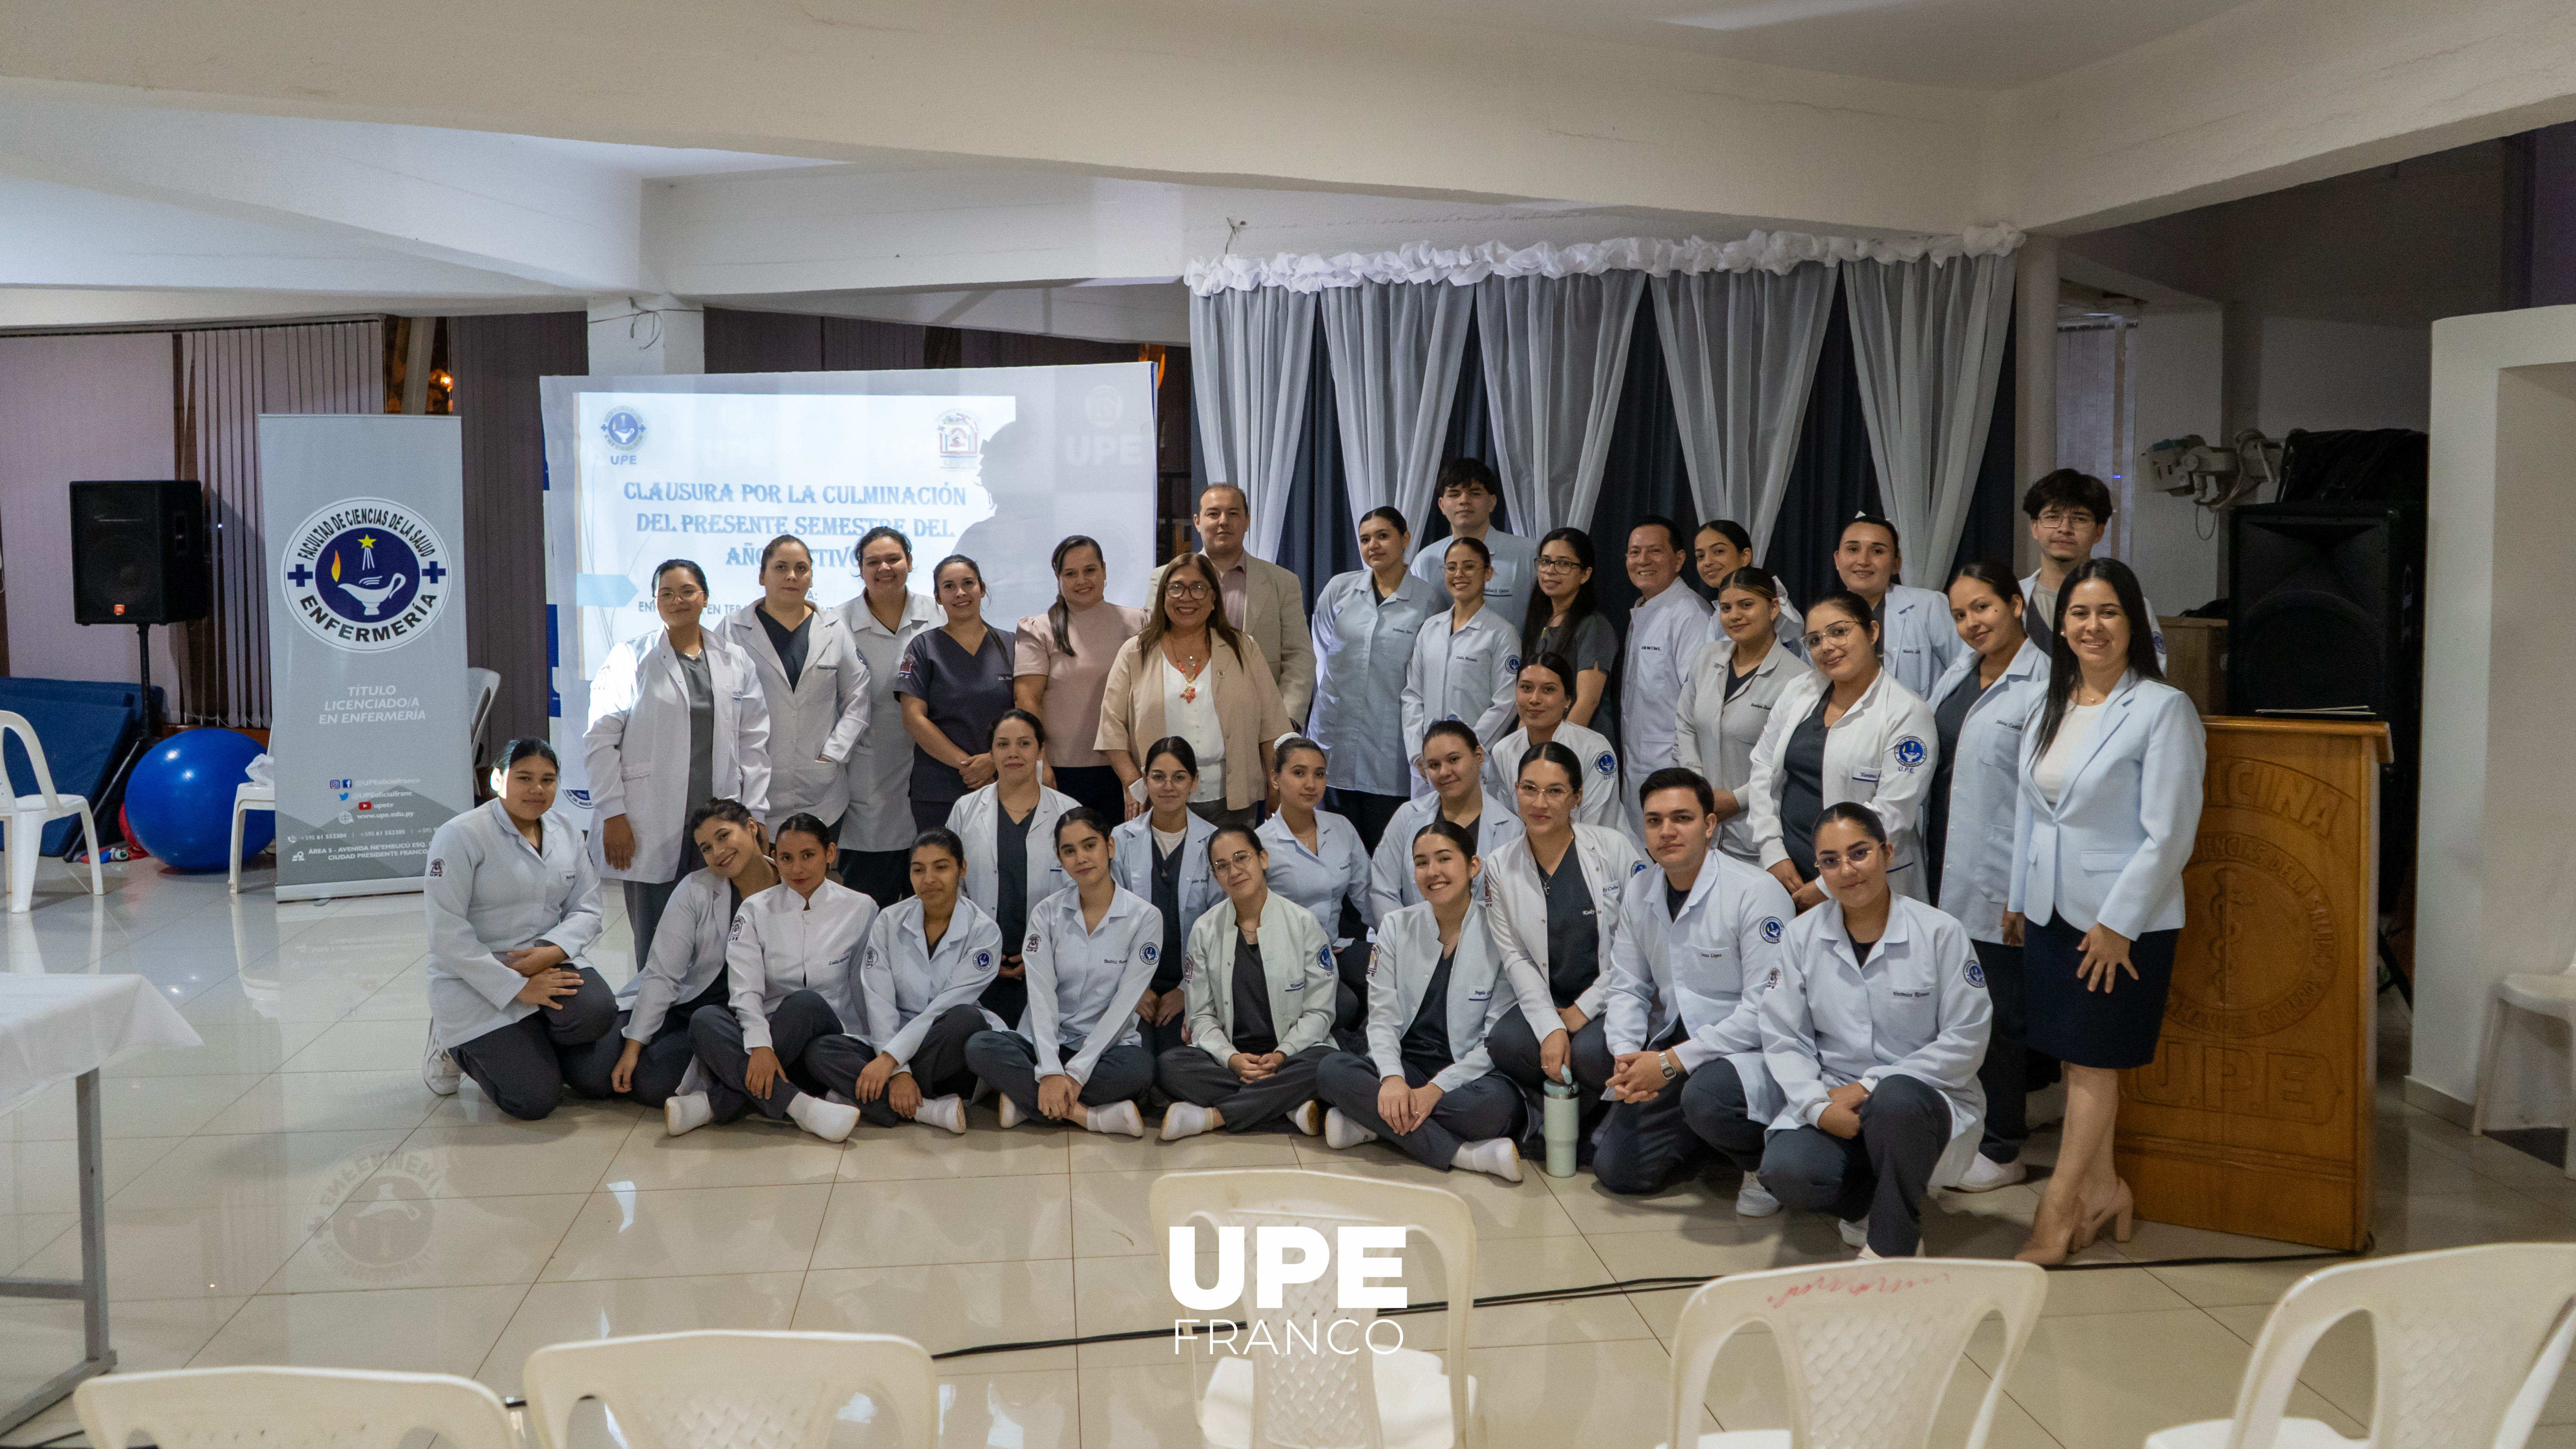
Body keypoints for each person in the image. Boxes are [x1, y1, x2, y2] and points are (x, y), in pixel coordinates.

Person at [2009, 558, 2204, 1264]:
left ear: (2132, 622)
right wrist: (2015, 901)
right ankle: (2104, 1188)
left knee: (2094, 1063)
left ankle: (2056, 1210)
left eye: (2107, 613)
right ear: (2059, 626)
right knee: (2076, 1062)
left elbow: (2170, 831)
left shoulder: (2161, 708)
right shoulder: (2049, 703)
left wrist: (2118, 922)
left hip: (2121, 922)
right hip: (2049, 910)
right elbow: (2032, 815)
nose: (2091, 627)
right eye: (2078, 614)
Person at [1759, 804, 1992, 1259]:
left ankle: (1894, 1245)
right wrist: (1813, 1104)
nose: (1846, 870)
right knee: (1788, 1173)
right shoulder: (1800, 936)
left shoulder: (1941, 933)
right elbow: (1784, 1035)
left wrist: (1870, 1085)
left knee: (1895, 1099)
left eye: (1859, 853)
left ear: (1887, 852)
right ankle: (1876, 1199)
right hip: (1835, 1101)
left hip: (1924, 1102)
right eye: (1830, 860)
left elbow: (1967, 1037)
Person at [1592, 769, 1798, 1200]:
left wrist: (1667, 1064)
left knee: (1707, 1097)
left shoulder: (1756, 893)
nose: (1667, 831)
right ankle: (1701, 1137)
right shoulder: (1641, 889)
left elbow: (1765, 1011)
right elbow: (1628, 985)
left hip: (1751, 1049)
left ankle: (1761, 1165)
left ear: (1709, 825)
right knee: (1619, 1172)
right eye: (1654, 821)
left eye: (1682, 818)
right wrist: (1628, 1055)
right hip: (1680, 1041)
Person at [1924, 562, 2050, 1192]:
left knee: (2000, 1017)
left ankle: (2003, 1146)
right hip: (1944, 862)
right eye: (1960, 613)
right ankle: (1963, 1129)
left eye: (1984, 608)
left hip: (1998, 877)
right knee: (1956, 1011)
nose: (1972, 623)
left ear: (2015, 604)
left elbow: (2042, 800)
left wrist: (2020, 892)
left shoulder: (2044, 683)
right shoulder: (1960, 673)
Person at [585, 559, 771, 973]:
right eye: (665, 594)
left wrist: (756, 813)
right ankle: (655, 1028)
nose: (677, 600)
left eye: (687, 591)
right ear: (654, 602)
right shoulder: (629, 657)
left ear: (704, 597)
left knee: (720, 931)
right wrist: (613, 813)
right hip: (648, 820)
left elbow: (753, 743)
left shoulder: (734, 659)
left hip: (718, 821)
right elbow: (600, 741)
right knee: (656, 937)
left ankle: (708, 1024)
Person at [1314, 820, 1526, 1181]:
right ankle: (1463, 1155)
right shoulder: (1397, 927)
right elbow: (1381, 1019)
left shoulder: (1500, 932)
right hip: (1407, 1064)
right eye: (1421, 862)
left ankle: (1370, 1125)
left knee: (1499, 1107)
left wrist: (1436, 1089)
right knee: (1330, 1070)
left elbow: (1493, 1041)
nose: (1432, 872)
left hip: (1465, 1076)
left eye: (1444, 859)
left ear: (1473, 866)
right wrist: (1394, 1079)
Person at [420, 738, 619, 1119]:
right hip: (476, 975)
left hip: (544, 957)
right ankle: (448, 1043)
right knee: (534, 1100)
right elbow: (446, 933)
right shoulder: (460, 836)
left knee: (597, 1063)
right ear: (498, 779)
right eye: (524, 777)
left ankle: (533, 1041)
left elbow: (588, 907)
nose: (537, 790)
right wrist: (518, 986)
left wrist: (554, 952)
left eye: (548, 779)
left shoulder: (564, 831)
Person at [663, 813, 876, 1142]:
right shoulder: (754, 909)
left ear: (830, 853)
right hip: (773, 1041)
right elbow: (745, 988)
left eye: (809, 856)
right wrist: (761, 1046)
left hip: (826, 1041)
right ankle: (802, 1107)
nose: (797, 869)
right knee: (706, 1019)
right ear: (775, 857)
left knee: (805, 1003)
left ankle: (713, 1105)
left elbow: (866, 987)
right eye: (787, 858)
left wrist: (875, 1047)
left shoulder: (861, 908)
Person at [1482, 741, 1646, 1151]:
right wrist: (1553, 1024)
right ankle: (1572, 1118)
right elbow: (1516, 957)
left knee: (1593, 1053)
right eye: (1529, 788)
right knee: (1506, 1042)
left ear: (1577, 797)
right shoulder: (1499, 866)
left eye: (1555, 791)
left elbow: (1636, 947)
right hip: (1550, 999)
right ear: (1515, 790)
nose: (1540, 803)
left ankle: (1588, 1122)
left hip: (1612, 996)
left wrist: (1581, 1012)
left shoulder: (1612, 849)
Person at [964, 809, 1155, 1138]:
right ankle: (1088, 1116)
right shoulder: (1046, 914)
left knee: (1141, 1071)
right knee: (979, 1046)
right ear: (1060, 859)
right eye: (1069, 851)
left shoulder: (1145, 918)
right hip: (1046, 1043)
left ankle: (1029, 1103)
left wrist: (1076, 1073)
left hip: (1106, 1049)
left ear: (1109, 847)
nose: (1081, 858)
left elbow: (1125, 1004)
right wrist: (1051, 1068)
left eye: (1089, 845)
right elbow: (1040, 995)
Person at [1742, 590, 1938, 909]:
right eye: (1815, 640)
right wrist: (1771, 851)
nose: (1827, 647)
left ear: (1872, 632)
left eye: (1838, 632)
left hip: (1860, 880)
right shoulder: (1799, 692)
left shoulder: (1907, 713)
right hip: (1787, 873)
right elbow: (1763, 767)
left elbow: (1892, 814)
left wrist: (1827, 883)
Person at [814, 828, 1006, 1135]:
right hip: (893, 1037)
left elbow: (945, 1006)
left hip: (945, 1046)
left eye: (941, 867)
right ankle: (925, 1109)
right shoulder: (889, 921)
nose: (929, 879)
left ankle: (872, 1097)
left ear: (962, 869)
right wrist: (898, 1071)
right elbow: (878, 1001)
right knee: (821, 1050)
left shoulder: (984, 931)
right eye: (918, 870)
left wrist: (891, 1062)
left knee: (965, 1020)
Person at [1155, 825, 1340, 1140]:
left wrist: (1282, 1054)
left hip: (1292, 1053)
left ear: (1263, 859)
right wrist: (1232, 1059)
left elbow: (1320, 1013)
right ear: (1215, 876)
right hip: (1233, 1056)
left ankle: (1213, 1117)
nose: (1234, 871)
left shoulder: (1303, 924)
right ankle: (1288, 1105)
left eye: (1242, 858)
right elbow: (1200, 1016)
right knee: (1169, 1066)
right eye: (1222, 866)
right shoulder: (1204, 930)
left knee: (1330, 1065)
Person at [1099, 551, 1292, 831]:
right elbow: (1111, 727)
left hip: (1233, 799)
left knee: (1232, 871)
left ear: (1214, 599)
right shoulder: (1136, 652)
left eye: (1199, 588)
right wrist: (1134, 785)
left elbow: (1271, 725)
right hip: (1161, 798)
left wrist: (1276, 785)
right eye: (1176, 588)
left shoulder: (1244, 648)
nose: (1186, 597)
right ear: (1163, 596)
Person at [608, 799, 779, 1107]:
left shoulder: (791, 887)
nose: (718, 853)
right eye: (706, 848)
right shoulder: (695, 888)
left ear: (752, 827)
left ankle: (722, 1096)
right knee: (593, 1071)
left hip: (742, 1018)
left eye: (724, 836)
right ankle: (724, 1079)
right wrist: (634, 1046)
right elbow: (662, 972)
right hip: (686, 1005)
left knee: (652, 1085)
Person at [1308, 506, 1442, 853]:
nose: (1373, 546)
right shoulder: (1339, 589)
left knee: (1387, 854)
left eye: (1383, 536)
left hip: (1391, 751)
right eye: (1365, 539)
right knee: (1337, 853)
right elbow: (1321, 647)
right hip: (1334, 742)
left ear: (1406, 539)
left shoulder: (1428, 600)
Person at [721, 534, 871, 828]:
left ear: (811, 577)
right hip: (751, 789)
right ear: (762, 575)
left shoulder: (833, 629)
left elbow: (858, 696)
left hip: (822, 793)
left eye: (801, 568)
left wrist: (833, 754)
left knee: (814, 871)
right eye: (780, 568)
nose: (792, 576)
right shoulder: (733, 629)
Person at [944, 709, 1076, 1026]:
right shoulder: (965, 810)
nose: (1013, 753)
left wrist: (1040, 952)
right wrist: (978, 947)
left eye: (1024, 744)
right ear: (991, 753)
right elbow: (951, 888)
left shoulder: (1069, 813)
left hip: (1054, 961)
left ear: (1040, 751)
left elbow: (1082, 894)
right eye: (1003, 745)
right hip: (978, 957)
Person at [1152, 484, 1315, 722]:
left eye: (1233, 513)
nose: (1223, 521)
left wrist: (1285, 721)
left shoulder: (1283, 582)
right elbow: (1153, 648)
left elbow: (1299, 656)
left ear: (1247, 520)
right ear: (1197, 522)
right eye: (1213, 513)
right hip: (1182, 714)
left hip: (1259, 720)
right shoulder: (1164, 579)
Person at [837, 526, 939, 906]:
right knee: (869, 910)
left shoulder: (940, 614)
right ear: (860, 570)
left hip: (933, 774)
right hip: (868, 783)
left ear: (910, 563)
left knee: (930, 908)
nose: (884, 568)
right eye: (873, 562)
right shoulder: (836, 624)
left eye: (894, 559)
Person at [1673, 568, 1801, 867]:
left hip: (1756, 832)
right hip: (1700, 822)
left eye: (1746, 605)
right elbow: (1685, 726)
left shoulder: (1797, 680)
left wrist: (1735, 801)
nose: (1734, 616)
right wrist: (1697, 788)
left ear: (1773, 608)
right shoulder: (1707, 657)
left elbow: (1787, 762)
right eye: (1726, 608)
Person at [1014, 535, 1148, 819]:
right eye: (1070, 574)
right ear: (1058, 578)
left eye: (1090, 570)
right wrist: (1040, 762)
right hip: (1062, 772)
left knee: (1120, 856)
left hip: (1127, 768)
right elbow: (1027, 699)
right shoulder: (1038, 629)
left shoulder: (1139, 623)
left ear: (1104, 570)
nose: (1081, 581)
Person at [1257, 737, 1374, 1038]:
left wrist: (1391, 944)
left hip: (1334, 947)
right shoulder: (1261, 844)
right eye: (1299, 773)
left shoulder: (1341, 828)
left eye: (1319, 774)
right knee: (1344, 1005)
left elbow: (1368, 896)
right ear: (1275, 778)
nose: (1310, 783)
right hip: (1288, 958)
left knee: (1392, 972)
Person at [1111, 738, 1219, 1060]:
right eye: (1158, 777)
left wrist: (1187, 991)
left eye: (1179, 777)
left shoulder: (1214, 843)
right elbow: (1110, 920)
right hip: (1133, 980)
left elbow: (1219, 926)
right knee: (1139, 1060)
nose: (1168, 786)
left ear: (1194, 782)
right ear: (1145, 781)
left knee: (1174, 1059)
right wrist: (1132, 986)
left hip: (1191, 982)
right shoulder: (1120, 839)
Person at [895, 554, 1018, 833]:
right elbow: (913, 719)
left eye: (968, 583)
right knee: (941, 871)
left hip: (1004, 782)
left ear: (982, 588)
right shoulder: (923, 648)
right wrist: (969, 766)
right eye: (949, 587)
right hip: (940, 789)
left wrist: (993, 761)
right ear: (938, 597)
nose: (960, 593)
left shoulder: (1012, 645)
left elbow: (1025, 713)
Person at [1367, 721, 1523, 921]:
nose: (1444, 772)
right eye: (1434, 765)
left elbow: (1511, 905)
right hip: (1413, 941)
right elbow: (1383, 891)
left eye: (1454, 759)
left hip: (1484, 944)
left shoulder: (1511, 828)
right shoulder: (1408, 816)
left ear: (1478, 757)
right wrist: (1405, 941)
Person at [1400, 535, 1520, 789]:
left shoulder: (1502, 633)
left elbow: (1506, 702)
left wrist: (1466, 749)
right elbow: (1412, 694)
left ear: (1488, 573)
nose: (1459, 574)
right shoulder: (1430, 628)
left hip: (1474, 762)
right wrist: (1417, 752)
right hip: (1428, 762)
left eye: (1469, 566)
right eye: (1451, 567)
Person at [1619, 517, 1712, 834]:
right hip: (1638, 768)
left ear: (1679, 559)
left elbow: (1698, 702)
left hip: (1673, 770)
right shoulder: (1643, 610)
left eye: (1654, 551)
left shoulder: (1691, 615)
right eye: (1634, 553)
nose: (1642, 561)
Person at [2020, 470, 2167, 665]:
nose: (2064, 528)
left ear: (2099, 532)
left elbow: (2150, 675)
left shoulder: (2128, 602)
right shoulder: (2008, 600)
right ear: (2034, 527)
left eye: (2079, 519)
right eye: (2053, 517)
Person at [1828, 513, 1965, 700]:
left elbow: (1967, 670)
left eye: (1877, 551)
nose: (1863, 561)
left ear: (1896, 563)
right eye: (1853, 549)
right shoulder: (1824, 615)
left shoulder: (1929, 606)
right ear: (1837, 560)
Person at [1481, 654, 1622, 834]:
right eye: (1526, 688)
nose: (1534, 699)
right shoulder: (1503, 751)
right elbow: (1507, 826)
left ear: (1568, 700)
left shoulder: (1594, 749)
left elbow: (1599, 830)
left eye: (1548, 690)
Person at [1409, 458, 1539, 634]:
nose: (1464, 501)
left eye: (1475, 493)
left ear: (1492, 503)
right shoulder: (1426, 560)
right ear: (1442, 505)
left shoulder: (1529, 553)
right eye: (1454, 494)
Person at [1523, 527, 1618, 733]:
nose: (1550, 570)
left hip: (1578, 746)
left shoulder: (1594, 626)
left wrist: (1554, 752)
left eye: (1564, 564)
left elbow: (1587, 702)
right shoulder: (1539, 621)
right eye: (1545, 561)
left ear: (1585, 574)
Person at [1691, 519, 1804, 657]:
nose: (1707, 562)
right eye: (1700, 556)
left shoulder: (1778, 611)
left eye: (1719, 551)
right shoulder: (1718, 614)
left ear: (1745, 557)